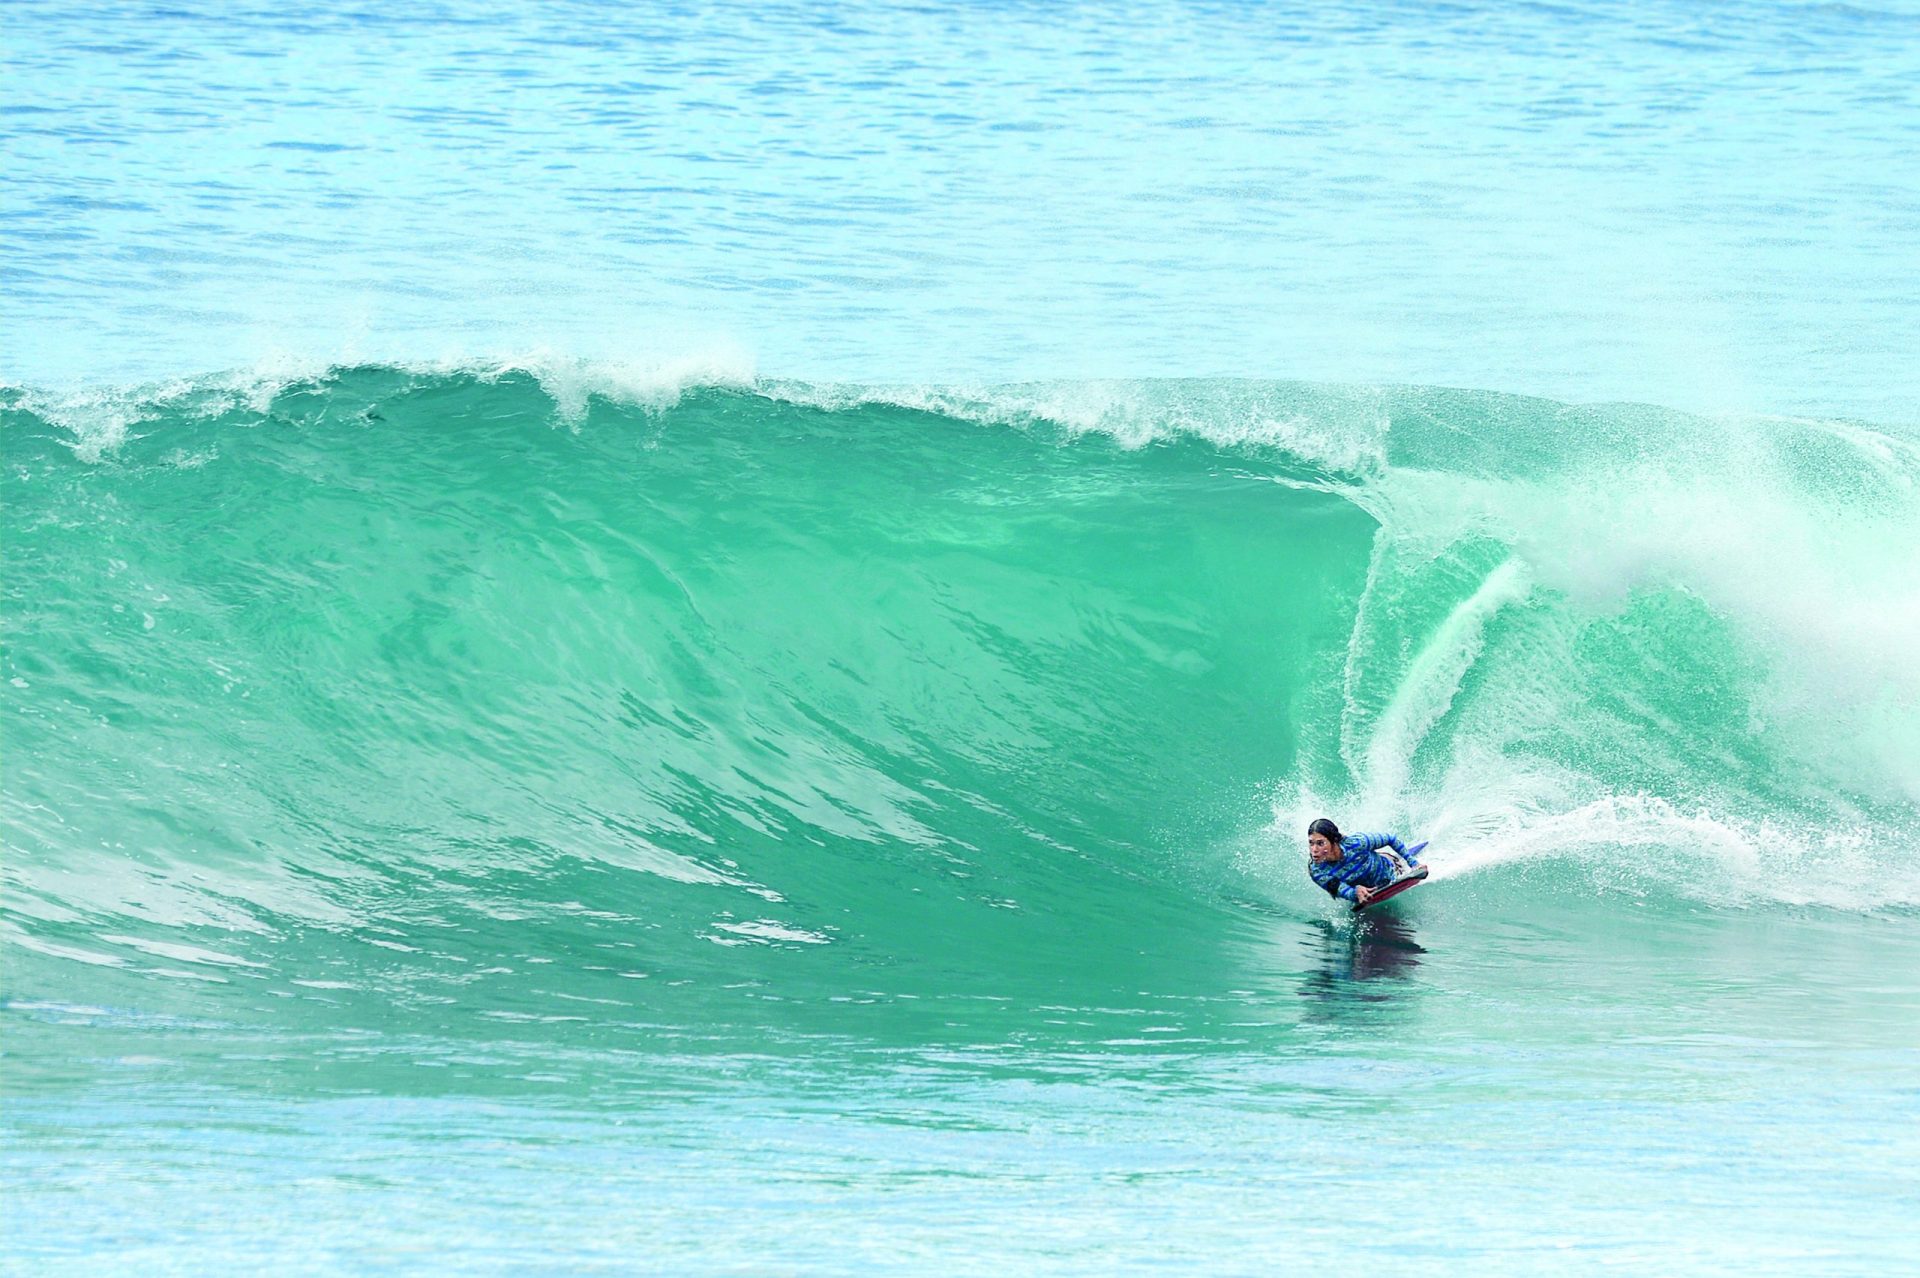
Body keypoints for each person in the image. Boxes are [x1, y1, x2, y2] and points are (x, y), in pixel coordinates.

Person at [1307, 817, 1421, 905]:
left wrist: (1413, 863)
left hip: (1392, 869)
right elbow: (1340, 890)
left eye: (1320, 843)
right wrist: (1354, 892)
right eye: (1311, 843)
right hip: (1366, 891)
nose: (1314, 850)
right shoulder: (1317, 871)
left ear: (1334, 841)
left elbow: (1391, 839)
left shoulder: (1357, 843)